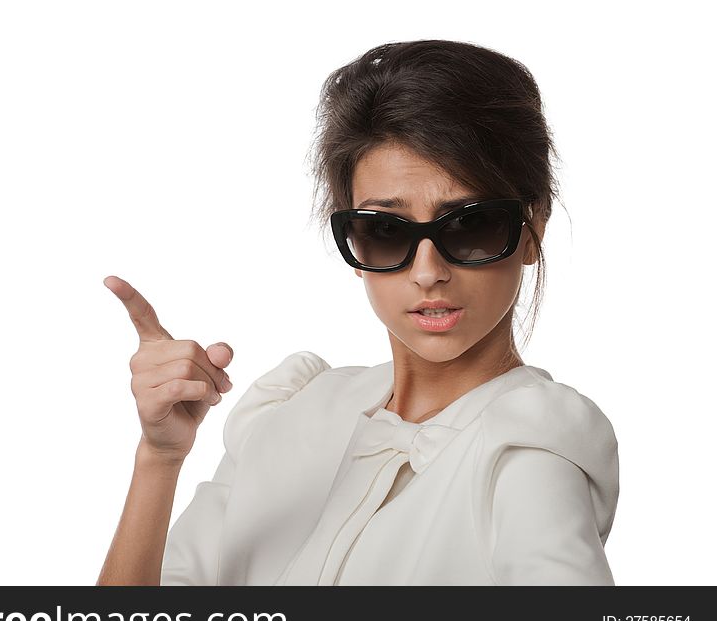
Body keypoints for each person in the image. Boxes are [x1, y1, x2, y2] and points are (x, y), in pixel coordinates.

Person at [96, 39, 619, 586]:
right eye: (386, 232)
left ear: (532, 228)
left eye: (470, 224)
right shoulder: (290, 413)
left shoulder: (529, 451)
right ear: (354, 242)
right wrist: (160, 459)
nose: (427, 271)